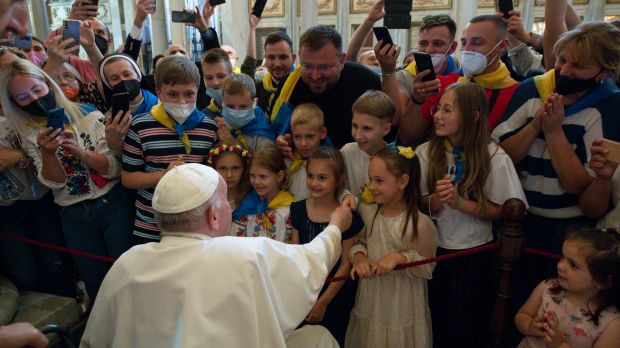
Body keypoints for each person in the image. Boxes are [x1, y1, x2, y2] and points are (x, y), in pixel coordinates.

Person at [81, 163, 348, 347]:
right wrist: (336, 226)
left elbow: (94, 340)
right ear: (213, 214)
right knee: (319, 338)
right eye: (225, 201)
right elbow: (313, 260)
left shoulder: (128, 262)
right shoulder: (243, 253)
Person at [492, 23, 620, 300]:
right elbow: (500, 156)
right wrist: (534, 126)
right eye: (562, 60)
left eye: (578, 66)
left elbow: (579, 187)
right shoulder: (532, 90)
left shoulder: (609, 107)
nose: (564, 71)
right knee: (510, 296)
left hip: (568, 230)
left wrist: (553, 131)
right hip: (518, 218)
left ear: (603, 72)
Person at [0, 59, 135, 301]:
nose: (34, 99)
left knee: (127, 273)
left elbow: (113, 167)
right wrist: (49, 153)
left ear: (47, 84)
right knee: (95, 280)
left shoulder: (88, 114)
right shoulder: (30, 134)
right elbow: (54, 183)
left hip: (112, 204)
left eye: (37, 90)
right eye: (22, 98)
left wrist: (81, 153)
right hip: (73, 214)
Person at [418, 83, 526, 347]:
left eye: (448, 110)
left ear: (474, 116)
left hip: (474, 252)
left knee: (467, 322)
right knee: (437, 318)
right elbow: (419, 203)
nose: (438, 116)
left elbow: (502, 209)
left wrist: (459, 203)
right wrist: (436, 200)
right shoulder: (426, 152)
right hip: (434, 251)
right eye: (438, 108)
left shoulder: (494, 156)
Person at [346, 146, 438, 348]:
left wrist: (400, 258)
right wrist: (360, 258)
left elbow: (427, 266)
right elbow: (359, 243)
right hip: (372, 298)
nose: (372, 186)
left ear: (403, 182)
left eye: (379, 181)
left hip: (401, 303)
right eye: (370, 179)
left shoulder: (418, 223)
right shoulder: (368, 211)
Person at [121, 55, 218, 242]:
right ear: (159, 92)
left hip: (196, 226)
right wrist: (162, 176)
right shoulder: (140, 126)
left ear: (198, 90)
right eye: (173, 94)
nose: (182, 101)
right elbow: (128, 178)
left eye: (189, 94)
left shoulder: (209, 128)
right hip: (151, 226)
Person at [399, 14, 519, 145]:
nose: (466, 49)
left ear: (502, 46)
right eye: (464, 43)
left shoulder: (517, 93)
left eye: (477, 42)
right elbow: (408, 138)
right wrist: (417, 100)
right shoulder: (441, 84)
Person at [291, 147, 364, 346]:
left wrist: (323, 302)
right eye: (310, 176)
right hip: (305, 292)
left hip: (334, 295)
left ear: (339, 180)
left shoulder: (347, 216)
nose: (314, 183)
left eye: (322, 178)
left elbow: (345, 264)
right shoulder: (298, 210)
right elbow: (296, 253)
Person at [270, 25, 381, 150]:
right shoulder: (289, 85)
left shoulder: (366, 82)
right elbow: (277, 129)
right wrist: (280, 142)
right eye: (308, 66)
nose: (315, 76)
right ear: (300, 57)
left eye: (324, 67)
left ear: (341, 60)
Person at [515, 228, 620, 347]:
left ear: (603, 281)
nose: (560, 265)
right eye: (562, 257)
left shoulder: (611, 324)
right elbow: (522, 315)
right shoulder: (547, 288)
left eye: (573, 265)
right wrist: (529, 326)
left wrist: (560, 345)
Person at [232, 144, 295, 242]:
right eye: (252, 175)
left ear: (279, 176)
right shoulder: (246, 205)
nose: (256, 182)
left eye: (263, 176)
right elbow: (235, 240)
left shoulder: (290, 209)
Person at [99, 53, 159, 156]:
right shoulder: (110, 120)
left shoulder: (162, 104)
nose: (123, 80)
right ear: (109, 85)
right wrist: (115, 142)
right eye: (114, 78)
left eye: (127, 74)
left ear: (138, 75)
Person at [341, 90, 394, 202]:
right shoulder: (346, 152)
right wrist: (345, 195)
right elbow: (336, 185)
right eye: (355, 126)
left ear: (386, 129)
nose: (358, 136)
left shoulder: (395, 160)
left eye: (367, 128)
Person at [212, 73, 275, 153]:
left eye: (243, 107)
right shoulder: (223, 123)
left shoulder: (263, 138)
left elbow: (263, 164)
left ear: (254, 103)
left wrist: (232, 143)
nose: (236, 113)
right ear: (223, 101)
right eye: (230, 106)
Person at [242, 21, 296, 112]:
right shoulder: (261, 88)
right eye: (271, 57)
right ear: (265, 59)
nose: (277, 64)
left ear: (293, 58)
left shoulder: (301, 85)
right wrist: (252, 29)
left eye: (283, 57)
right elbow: (247, 71)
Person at [287, 103, 328, 199]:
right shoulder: (286, 161)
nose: (303, 144)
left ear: (322, 133)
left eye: (310, 136)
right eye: (297, 137)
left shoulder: (329, 163)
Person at [207, 141, 252, 212]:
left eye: (235, 168)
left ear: (245, 168)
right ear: (214, 169)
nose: (229, 175)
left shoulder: (253, 198)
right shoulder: (208, 199)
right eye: (223, 168)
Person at [201, 48, 233, 113]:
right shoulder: (204, 116)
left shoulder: (248, 108)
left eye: (221, 76)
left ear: (231, 75)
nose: (215, 83)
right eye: (209, 78)